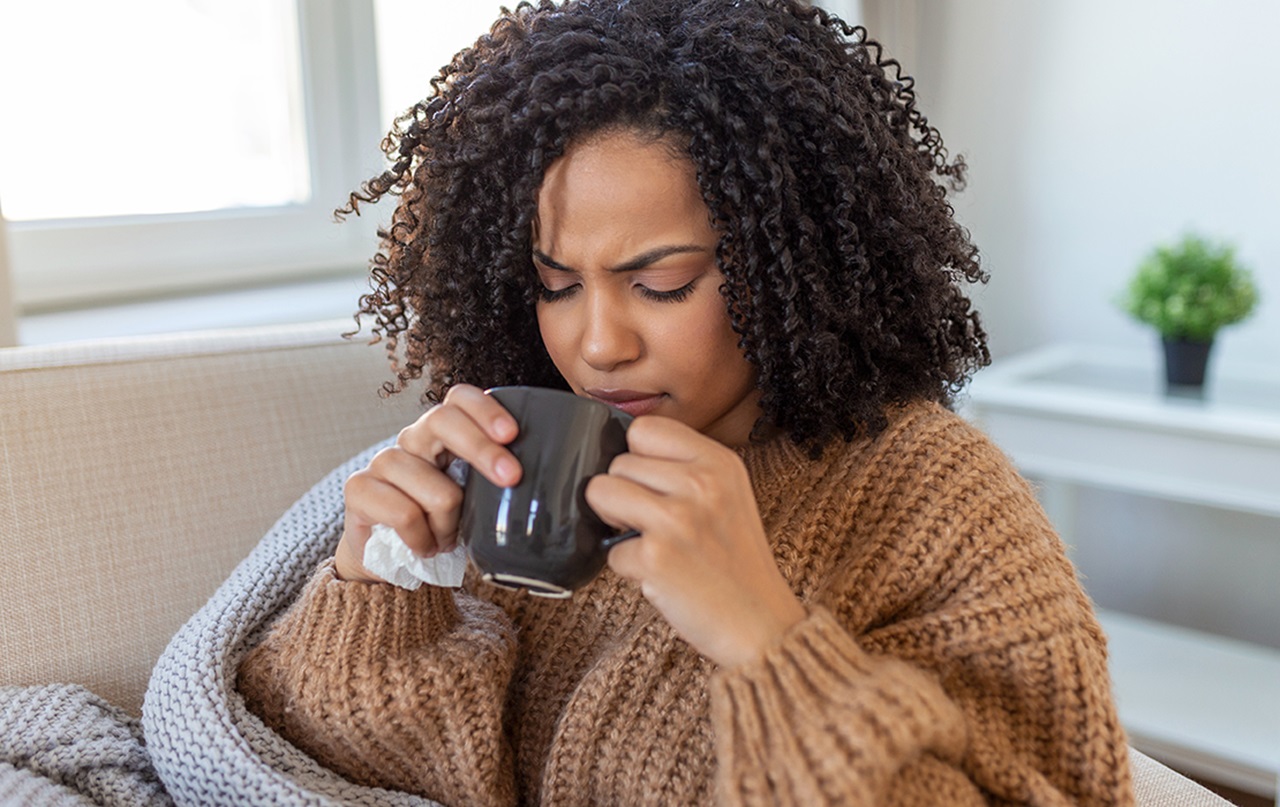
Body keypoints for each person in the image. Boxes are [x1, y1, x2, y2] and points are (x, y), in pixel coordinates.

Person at [237, 0, 1134, 804]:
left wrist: (764, 637)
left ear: (795, 265)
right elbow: (334, 767)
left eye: (662, 283)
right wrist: (383, 584)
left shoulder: (937, 500)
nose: (597, 344)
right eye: (556, 284)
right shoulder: (527, 456)